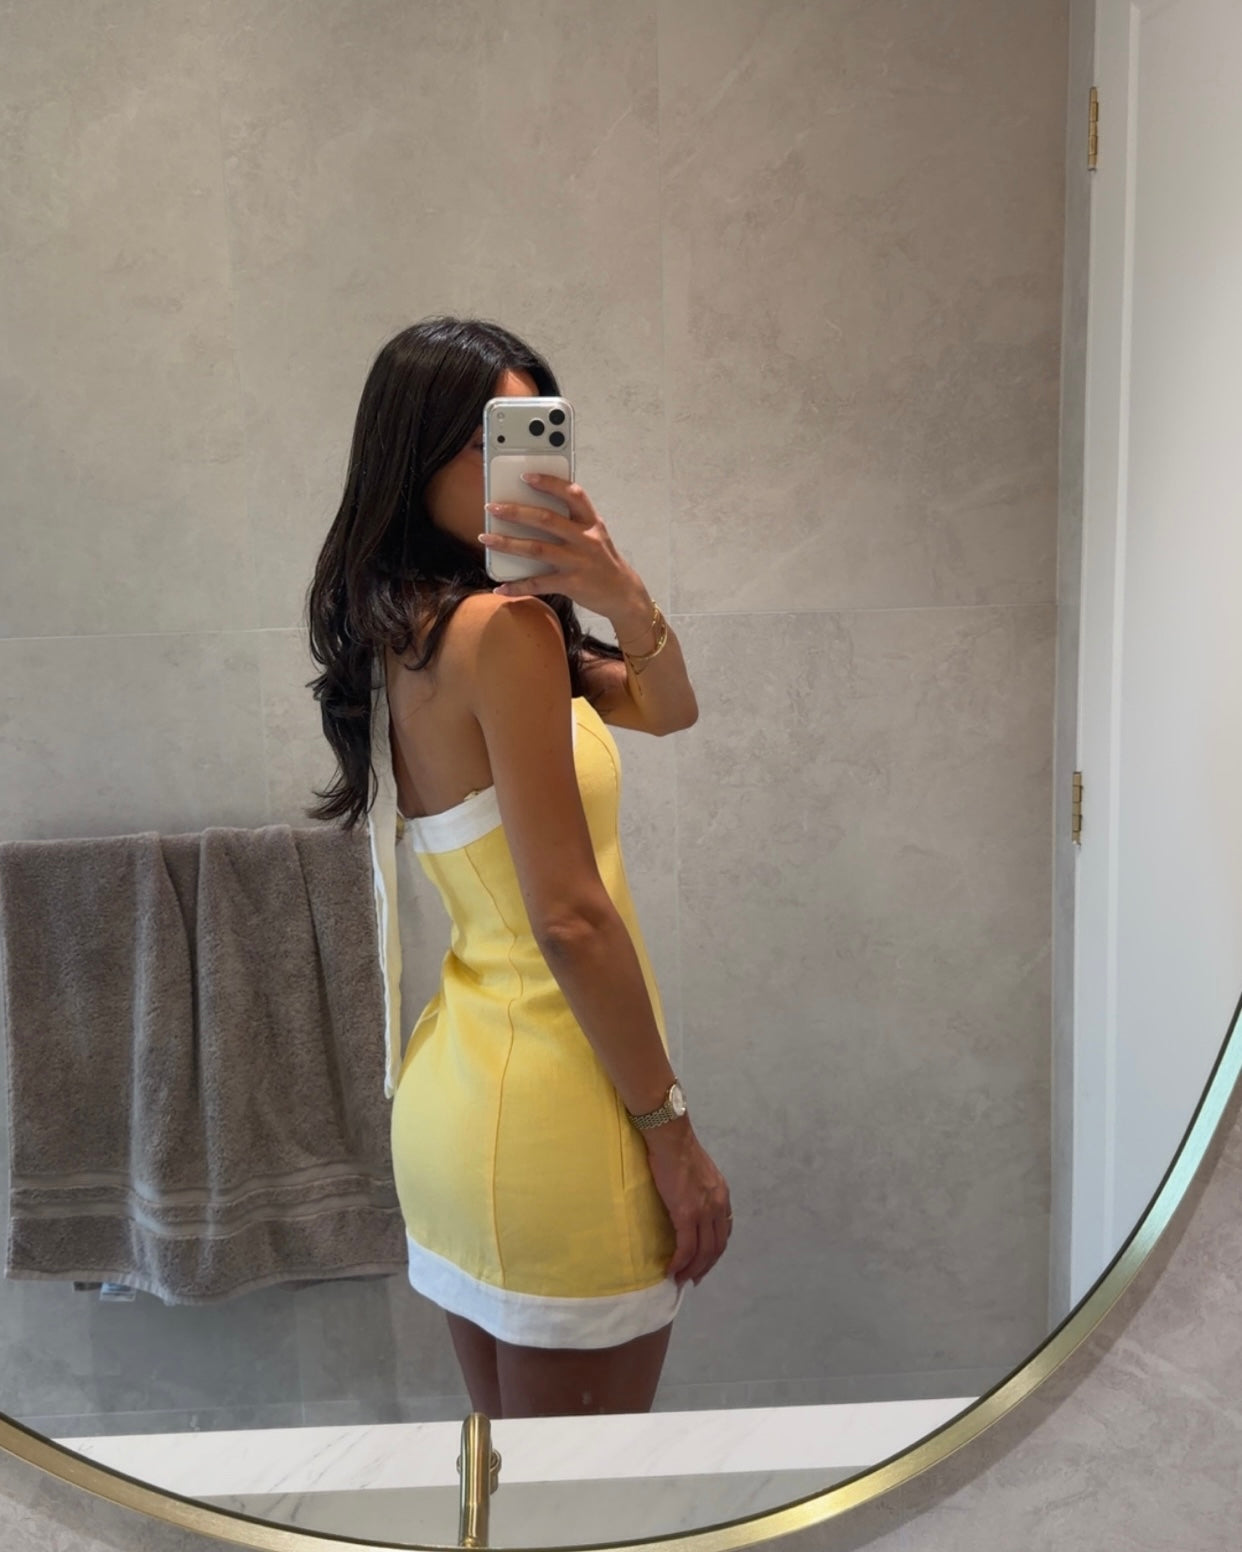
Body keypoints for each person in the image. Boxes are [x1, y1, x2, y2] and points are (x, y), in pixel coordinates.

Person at [305, 316, 732, 1418]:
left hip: (459, 1103)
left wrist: (618, 588)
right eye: (485, 442)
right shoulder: (503, 636)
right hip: (559, 1118)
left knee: (508, 1485)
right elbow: (571, 920)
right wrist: (673, 1136)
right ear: (413, 458)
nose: (520, 470)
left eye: (532, 433)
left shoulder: (410, 628)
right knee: (579, 1499)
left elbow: (669, 708)